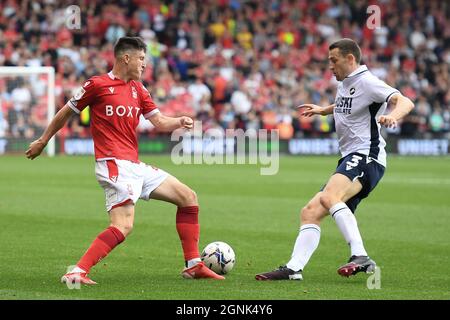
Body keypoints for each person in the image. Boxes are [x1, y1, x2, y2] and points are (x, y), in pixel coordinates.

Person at [26, 37, 224, 284]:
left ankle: (193, 265)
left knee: (188, 197)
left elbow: (159, 121)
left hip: (135, 165)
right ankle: (76, 272)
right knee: (123, 225)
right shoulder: (96, 85)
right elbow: (66, 111)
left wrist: (179, 121)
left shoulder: (138, 89)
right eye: (141, 58)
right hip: (113, 164)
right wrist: (43, 141)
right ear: (125, 58)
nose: (144, 65)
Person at [255, 38, 414, 281]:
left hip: (366, 156)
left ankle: (360, 255)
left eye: (334, 60)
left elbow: (405, 101)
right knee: (309, 212)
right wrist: (323, 110)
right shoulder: (347, 82)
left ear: (350, 59)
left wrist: (393, 116)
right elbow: (347, 103)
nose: (330, 66)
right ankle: (293, 268)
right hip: (350, 157)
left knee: (330, 197)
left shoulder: (368, 82)